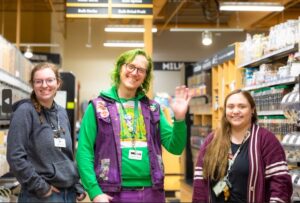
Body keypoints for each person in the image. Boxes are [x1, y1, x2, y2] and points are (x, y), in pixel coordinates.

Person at [76, 49, 192, 202]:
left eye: (141, 70)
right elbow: (84, 151)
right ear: (120, 68)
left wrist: (179, 118)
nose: (135, 73)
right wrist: (94, 191)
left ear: (145, 76)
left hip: (152, 192)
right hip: (112, 193)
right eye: (130, 66)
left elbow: (175, 147)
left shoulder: (153, 109)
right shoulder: (98, 107)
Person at [192, 89, 293, 203]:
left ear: (252, 110)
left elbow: (280, 182)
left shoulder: (266, 140)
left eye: (242, 106)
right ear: (225, 111)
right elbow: (200, 180)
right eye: (230, 107)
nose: (235, 111)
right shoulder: (212, 140)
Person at [6, 62, 86, 202]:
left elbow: (66, 154)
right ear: (32, 84)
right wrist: (40, 186)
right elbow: (15, 156)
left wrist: (75, 182)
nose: (44, 85)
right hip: (40, 196)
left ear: (58, 83)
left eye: (49, 80)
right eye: (39, 81)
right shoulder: (25, 111)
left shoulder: (61, 112)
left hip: (68, 194)